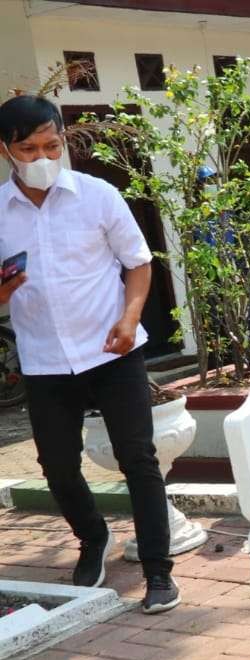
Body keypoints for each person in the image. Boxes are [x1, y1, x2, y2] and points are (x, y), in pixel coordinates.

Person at [0, 94, 179, 614]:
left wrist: (129, 319)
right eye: (28, 149)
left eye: (51, 145)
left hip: (113, 352)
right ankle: (93, 537)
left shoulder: (98, 196)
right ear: (7, 151)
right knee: (56, 465)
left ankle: (159, 571)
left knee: (138, 460)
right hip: (45, 361)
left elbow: (139, 264)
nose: (42, 158)